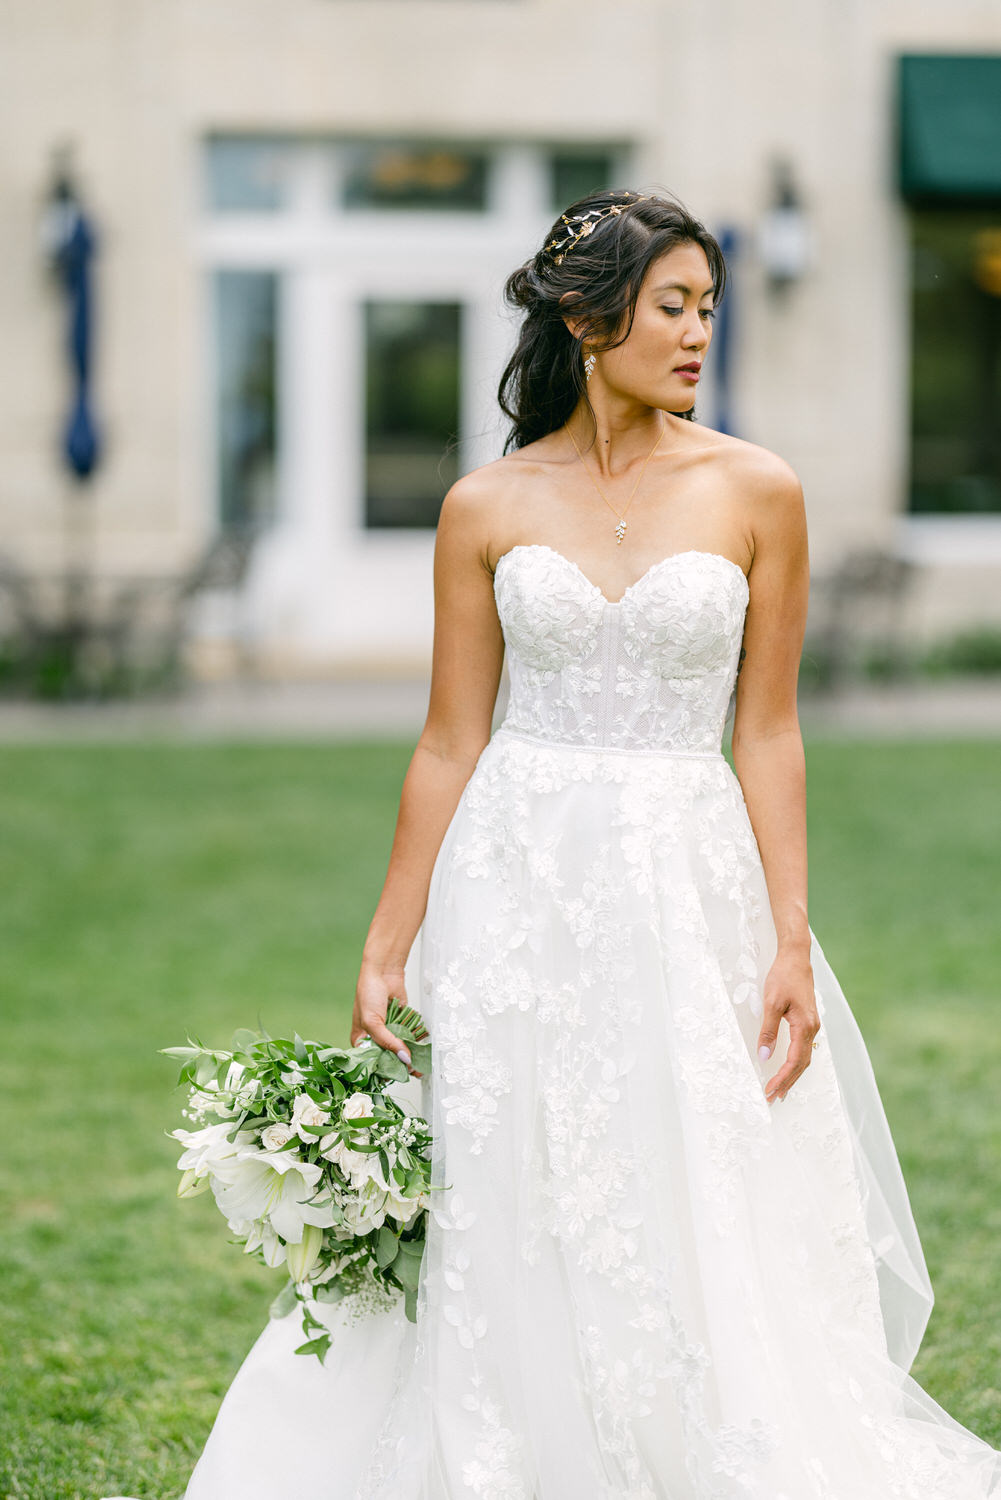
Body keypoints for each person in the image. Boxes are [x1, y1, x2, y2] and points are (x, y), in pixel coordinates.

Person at [173, 189, 1000, 1498]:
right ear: (583, 316)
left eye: (705, 310)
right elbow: (448, 741)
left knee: (682, 1158)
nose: (693, 335)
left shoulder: (755, 491)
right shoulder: (485, 505)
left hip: (686, 871)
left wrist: (788, 936)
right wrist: (386, 943)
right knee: (517, 1157)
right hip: (516, 871)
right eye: (670, 306)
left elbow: (768, 735)